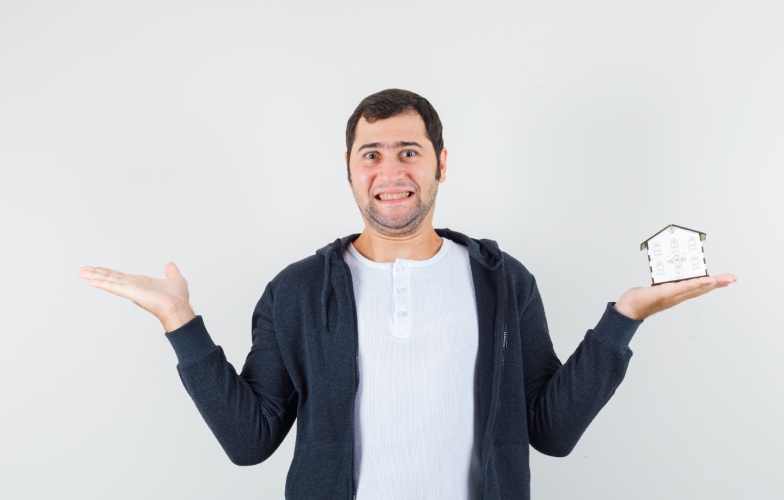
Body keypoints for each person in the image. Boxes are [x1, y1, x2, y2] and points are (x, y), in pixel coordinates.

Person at [78, 89, 737, 499]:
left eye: (408, 152)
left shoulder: (502, 281)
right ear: (348, 170)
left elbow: (550, 431)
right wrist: (180, 322)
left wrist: (624, 319)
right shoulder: (299, 290)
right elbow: (250, 439)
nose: (390, 172)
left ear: (441, 164)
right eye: (371, 154)